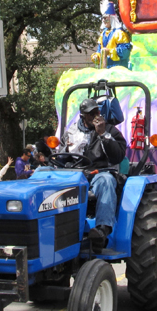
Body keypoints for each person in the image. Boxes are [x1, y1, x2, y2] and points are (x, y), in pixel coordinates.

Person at [58, 98, 127, 249]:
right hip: (74, 173)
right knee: (46, 175)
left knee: (106, 181)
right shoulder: (71, 132)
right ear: (83, 116)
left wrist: (103, 135)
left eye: (97, 111)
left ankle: (103, 229)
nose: (96, 115)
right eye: (91, 113)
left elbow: (118, 156)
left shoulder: (109, 130)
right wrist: (66, 150)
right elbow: (60, 158)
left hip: (99, 172)